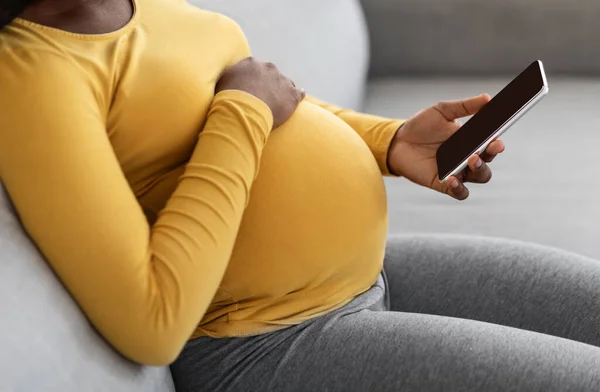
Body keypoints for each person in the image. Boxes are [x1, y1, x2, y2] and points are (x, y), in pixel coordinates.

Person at [1, 0, 600, 390]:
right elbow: (152, 321)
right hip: (268, 344)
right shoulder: (30, 77)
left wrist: (390, 141)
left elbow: (273, 101)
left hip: (367, 275)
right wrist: (244, 111)